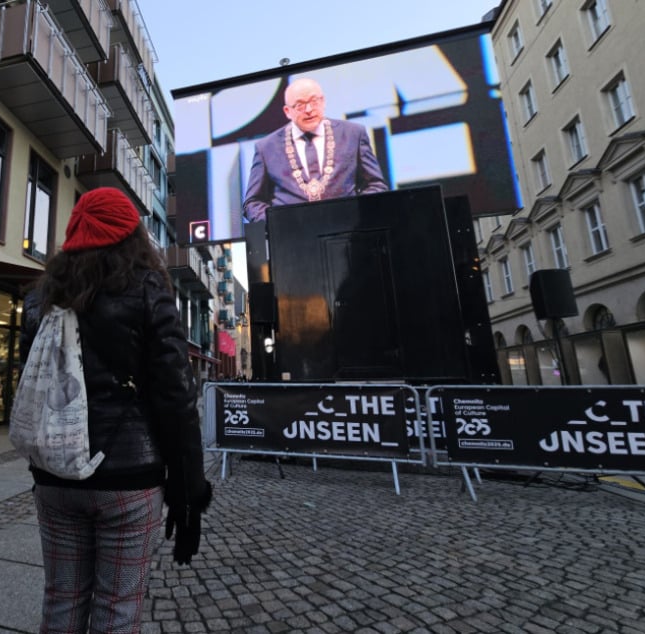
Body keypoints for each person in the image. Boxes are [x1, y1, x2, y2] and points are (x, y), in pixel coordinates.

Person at [20, 187, 212, 634]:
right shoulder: (149, 289)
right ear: (133, 235)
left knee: (62, 600)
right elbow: (176, 399)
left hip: (55, 477)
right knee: (118, 608)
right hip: (129, 481)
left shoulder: (43, 298)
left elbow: (32, 384)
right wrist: (187, 496)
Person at [243, 77, 389, 222]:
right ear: (287, 111)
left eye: (314, 101)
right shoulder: (267, 148)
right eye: (300, 105)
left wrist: (356, 214)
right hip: (292, 239)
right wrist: (278, 225)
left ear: (323, 101)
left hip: (349, 236)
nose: (309, 110)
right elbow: (252, 203)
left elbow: (375, 185)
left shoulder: (353, 134)